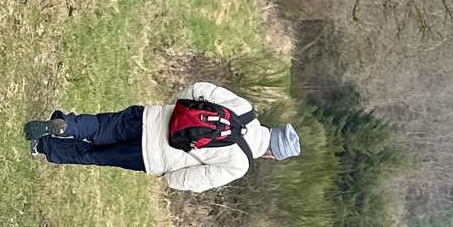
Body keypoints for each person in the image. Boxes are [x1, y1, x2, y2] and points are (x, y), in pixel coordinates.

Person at [22, 81, 302, 192]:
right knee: (95, 155)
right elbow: (190, 181)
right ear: (271, 155)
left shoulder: (245, 110)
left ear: (273, 130)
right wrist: (169, 175)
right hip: (151, 157)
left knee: (100, 126)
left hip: (152, 118)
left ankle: (66, 125)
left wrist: (175, 110)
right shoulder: (240, 165)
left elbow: (199, 89)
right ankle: (45, 147)